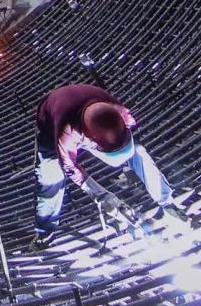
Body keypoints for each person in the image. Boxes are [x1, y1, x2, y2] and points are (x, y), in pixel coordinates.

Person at [32, 82, 182, 244]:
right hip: (50, 127)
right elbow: (72, 169)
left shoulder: (120, 112)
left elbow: (128, 138)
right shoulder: (66, 134)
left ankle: (168, 204)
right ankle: (45, 232)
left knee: (138, 152)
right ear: (92, 141)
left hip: (86, 114)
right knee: (51, 178)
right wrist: (102, 197)